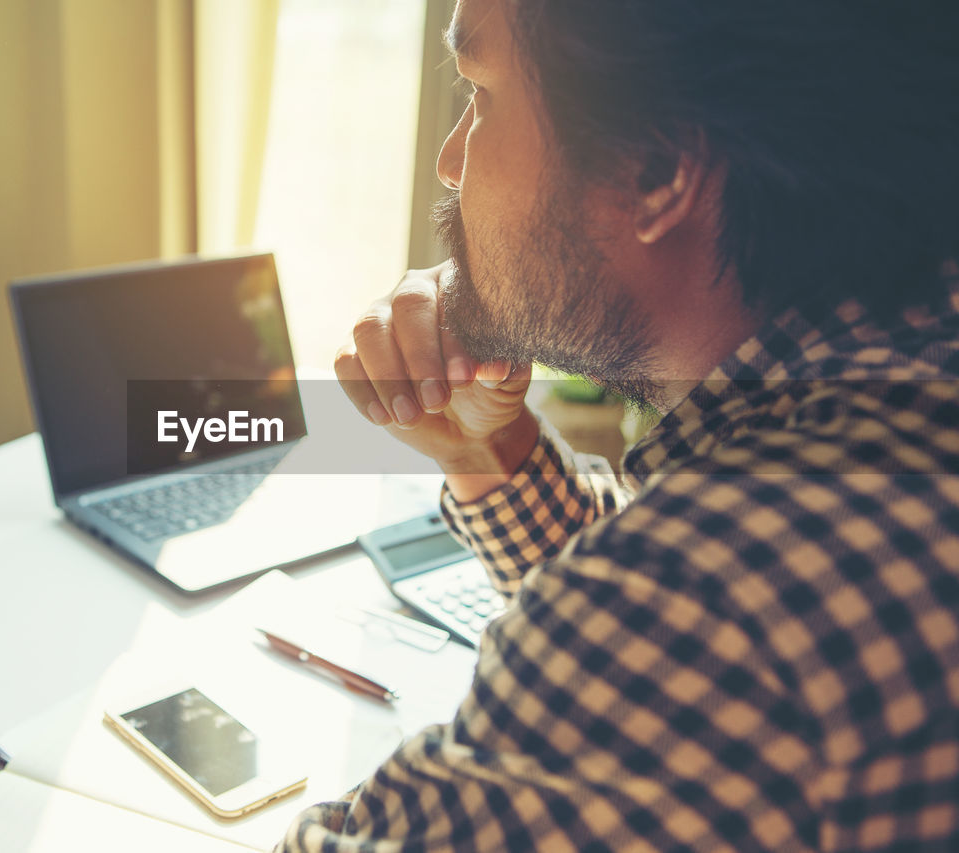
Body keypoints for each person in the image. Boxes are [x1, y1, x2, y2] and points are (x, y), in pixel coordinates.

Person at [277, 0, 959, 849]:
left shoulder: (716, 598)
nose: (451, 161)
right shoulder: (905, 365)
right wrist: (490, 449)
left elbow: (665, 621)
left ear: (656, 167)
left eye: (481, 96)